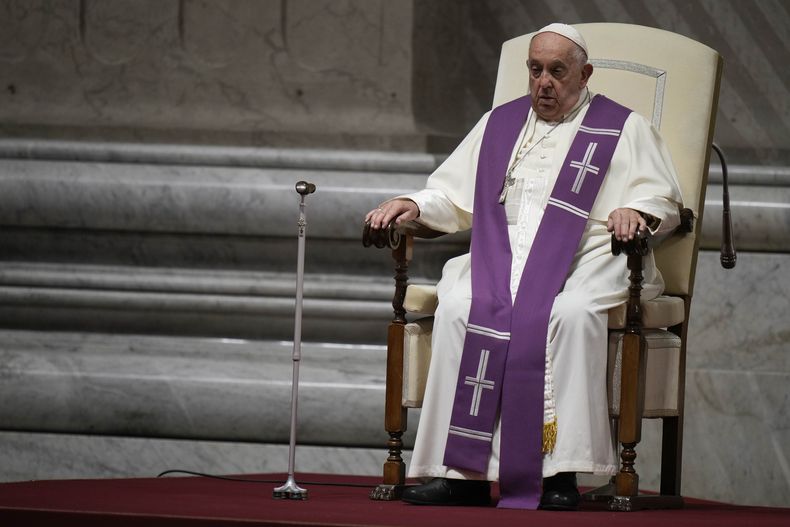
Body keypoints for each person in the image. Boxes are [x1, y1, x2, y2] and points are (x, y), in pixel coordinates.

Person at [365, 23, 682, 511]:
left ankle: (559, 472)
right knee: (460, 305)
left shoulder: (622, 127)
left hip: (587, 255)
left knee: (570, 313)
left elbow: (662, 198)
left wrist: (635, 211)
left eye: (557, 71)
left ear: (585, 74)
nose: (543, 82)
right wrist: (414, 203)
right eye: (535, 70)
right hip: (503, 254)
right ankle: (461, 473)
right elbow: (452, 194)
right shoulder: (499, 123)